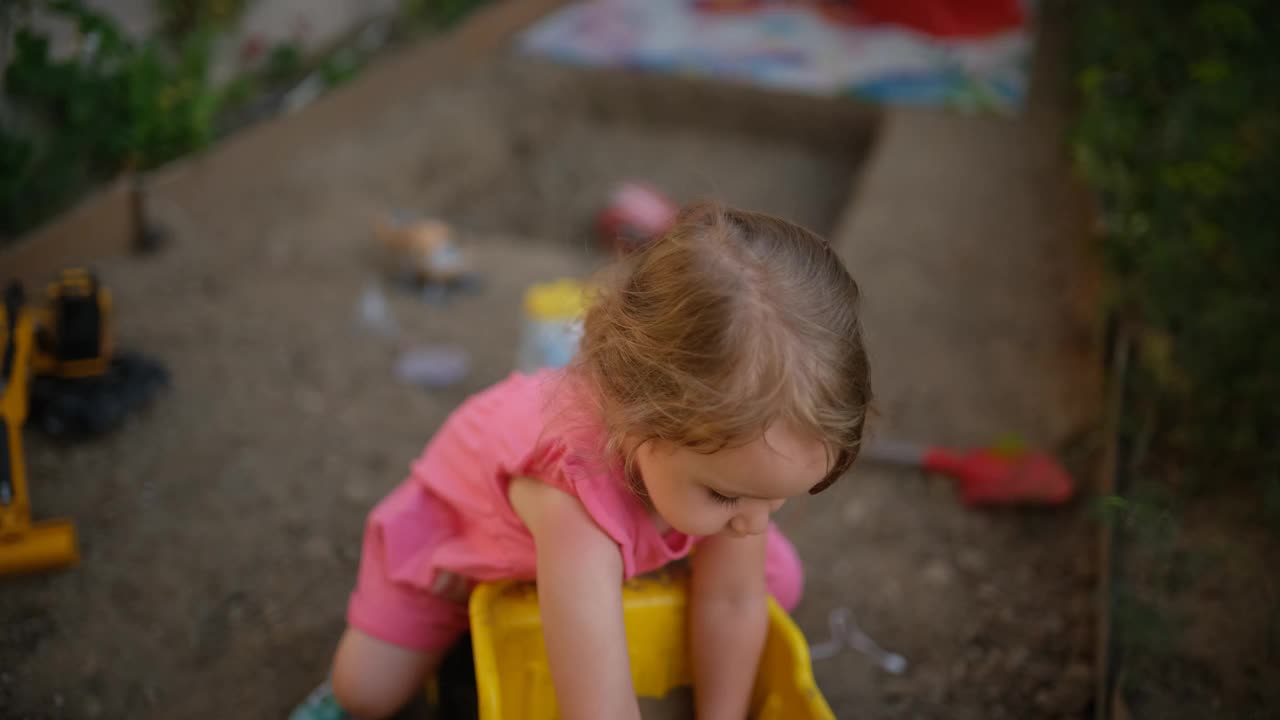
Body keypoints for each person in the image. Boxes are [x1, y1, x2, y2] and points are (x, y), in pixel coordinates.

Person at [289, 201, 871, 720]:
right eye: (728, 496)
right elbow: (597, 707)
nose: (756, 520)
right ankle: (464, 620)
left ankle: (636, 563)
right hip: (464, 541)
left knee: (772, 583)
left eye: (778, 495)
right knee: (367, 692)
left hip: (625, 527)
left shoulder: (725, 461)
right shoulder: (576, 505)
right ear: (636, 421)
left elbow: (733, 600)